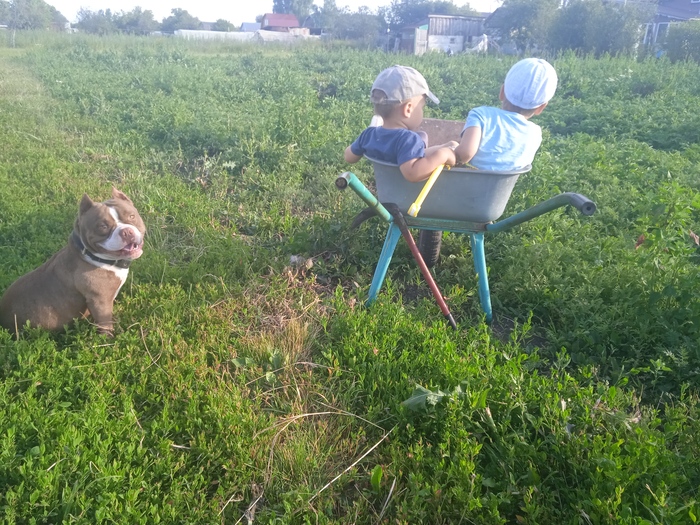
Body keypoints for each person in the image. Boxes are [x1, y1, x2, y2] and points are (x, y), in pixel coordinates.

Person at [344, 65, 457, 183]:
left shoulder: (368, 134)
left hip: (385, 186)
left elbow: (349, 157)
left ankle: (446, 146)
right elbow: (413, 173)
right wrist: (442, 154)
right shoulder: (408, 140)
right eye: (421, 107)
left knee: (425, 137)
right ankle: (445, 148)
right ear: (408, 109)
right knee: (423, 138)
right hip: (409, 192)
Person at [453, 58, 558, 172]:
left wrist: (449, 150)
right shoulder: (535, 133)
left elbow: (464, 154)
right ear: (541, 107)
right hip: (505, 184)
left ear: (502, 92)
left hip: (465, 181)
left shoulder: (481, 115)